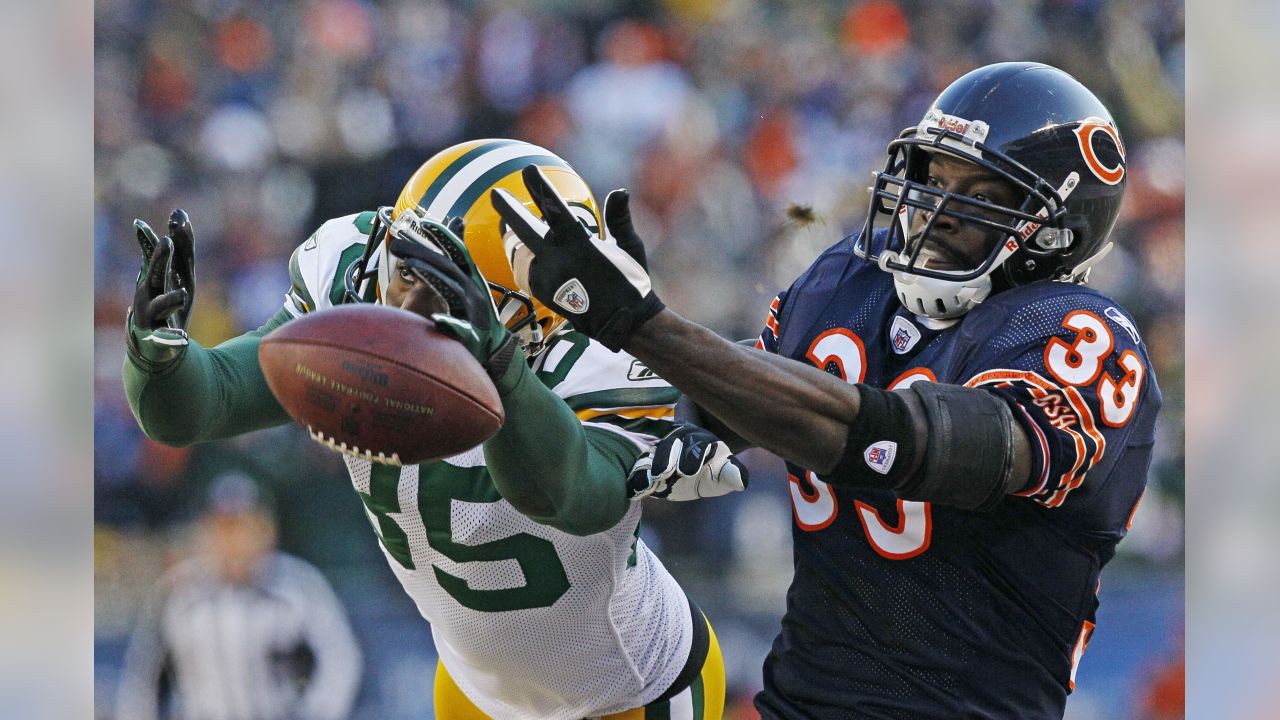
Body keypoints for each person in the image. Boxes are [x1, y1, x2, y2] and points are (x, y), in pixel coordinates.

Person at [489, 62, 1163, 718]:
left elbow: (906, 445)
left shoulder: (1075, 332)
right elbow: (710, 412)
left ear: (1056, 227)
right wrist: (560, 355)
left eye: (983, 195)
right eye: (935, 176)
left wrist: (647, 328)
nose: (940, 208)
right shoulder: (853, 280)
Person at [122, 139, 742, 719]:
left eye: (445, 288)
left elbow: (566, 496)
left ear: (531, 314)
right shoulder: (356, 276)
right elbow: (207, 403)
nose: (402, 303)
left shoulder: (599, 359)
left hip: (625, 691)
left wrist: (500, 370)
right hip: (473, 688)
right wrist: (158, 356)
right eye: (406, 265)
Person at [114, 473, 362, 720]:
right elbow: (143, 678)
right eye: (224, 528)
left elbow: (339, 660)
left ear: (265, 529)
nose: (234, 541)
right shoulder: (178, 591)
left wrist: (315, 714)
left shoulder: (297, 584)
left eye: (243, 527)